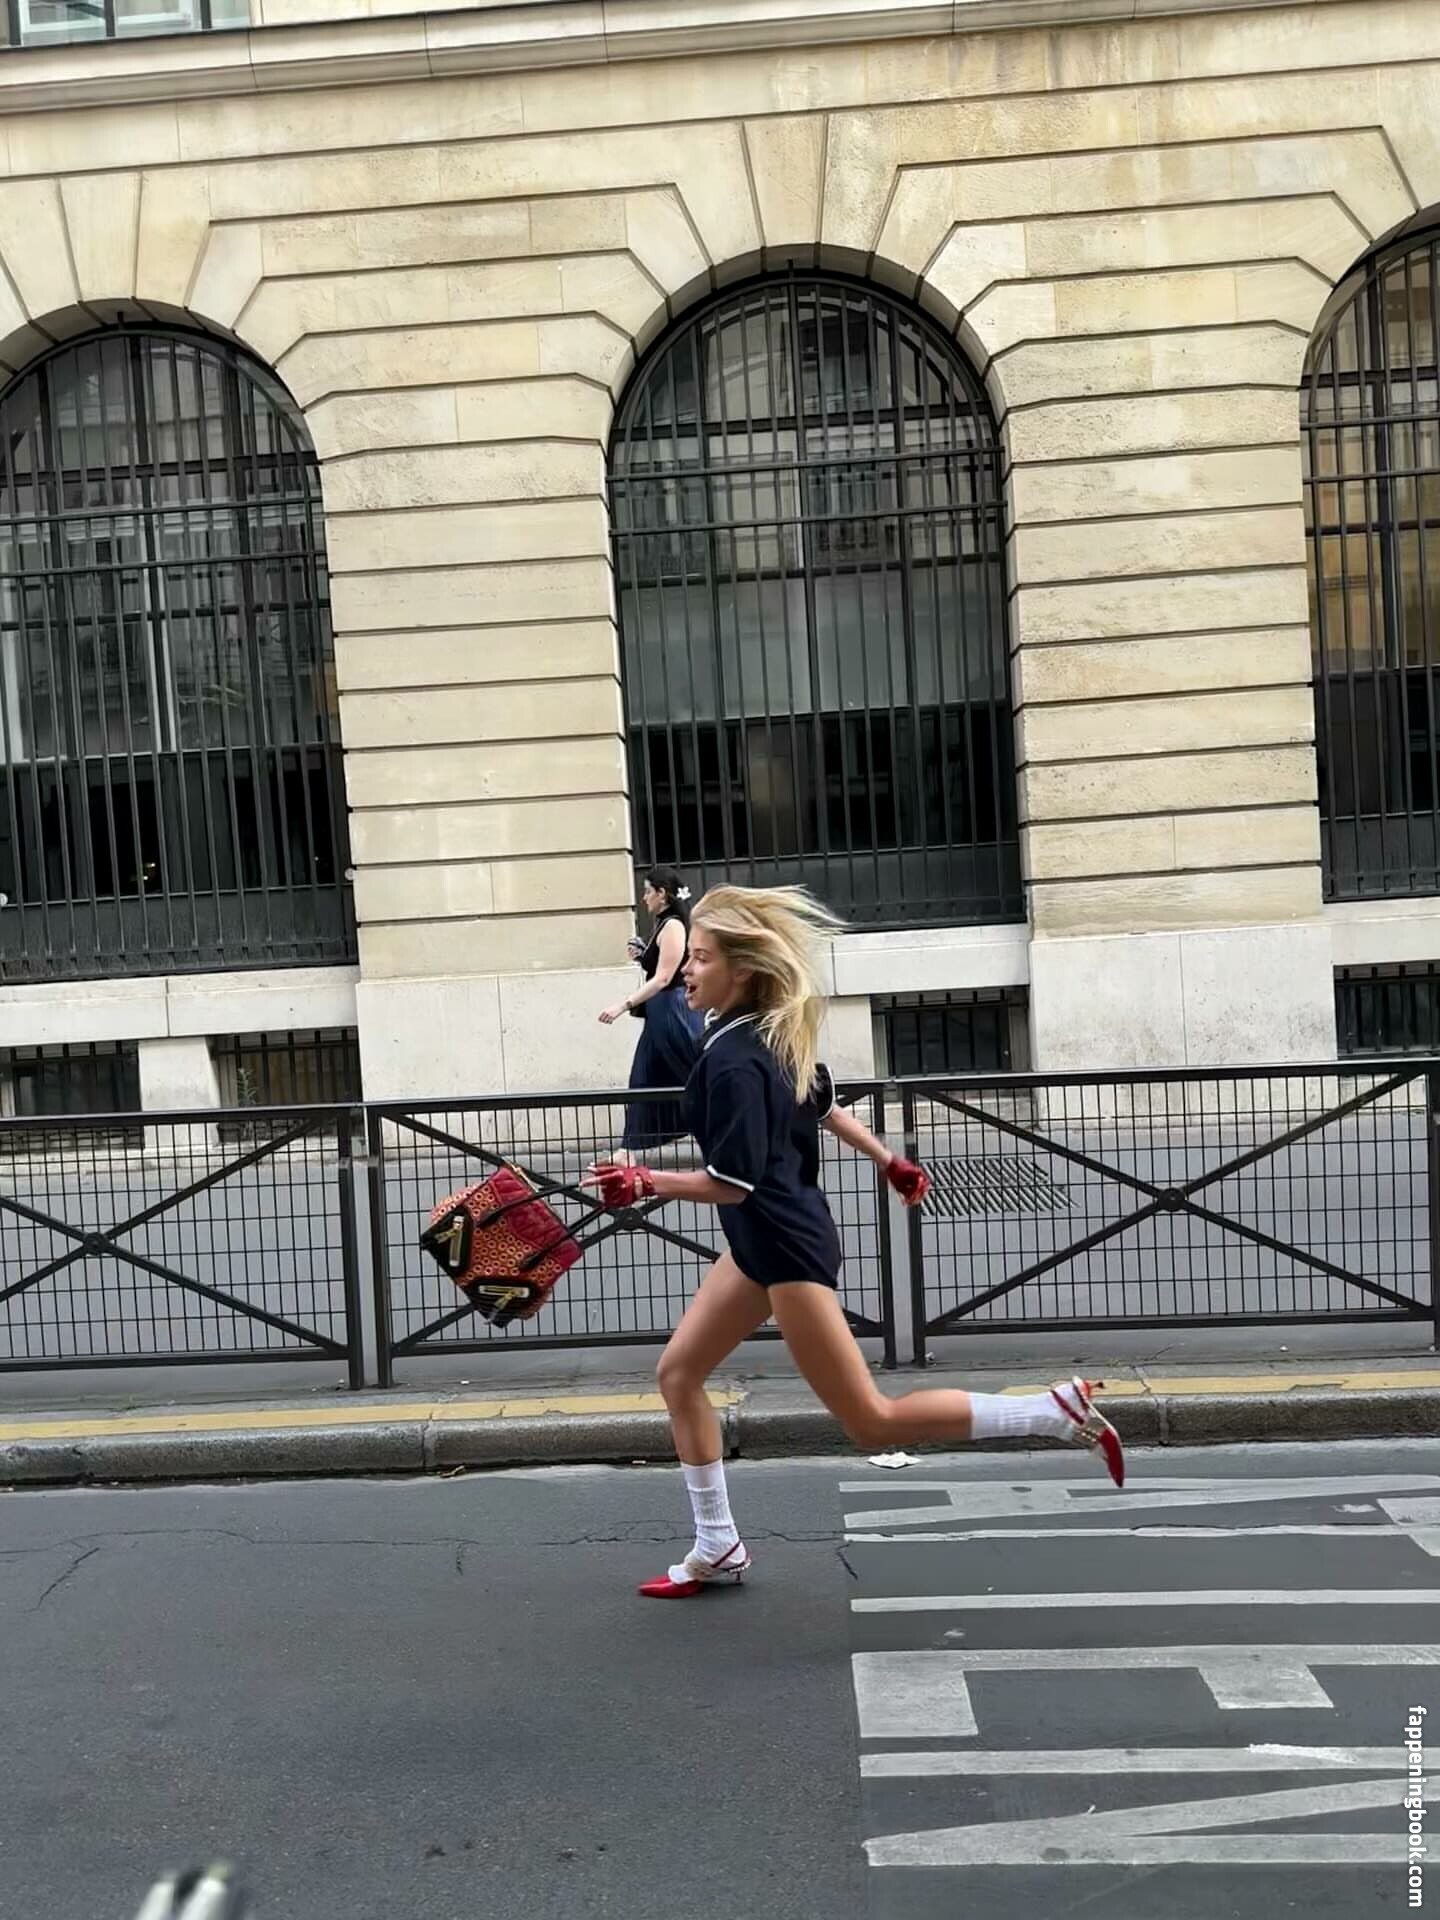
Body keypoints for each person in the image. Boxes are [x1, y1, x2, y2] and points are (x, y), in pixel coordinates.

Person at [586, 883, 1124, 1600]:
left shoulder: (737, 1057)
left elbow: (732, 1183)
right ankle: (718, 1544)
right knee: (678, 1375)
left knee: (872, 1421)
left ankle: (1048, 1413)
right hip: (762, 1242)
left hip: (783, 1250)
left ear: (742, 971)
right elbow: (825, 1106)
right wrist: (887, 1160)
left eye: (702, 958)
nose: (686, 968)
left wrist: (645, 1179)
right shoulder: (760, 1033)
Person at [598, 865, 705, 1162]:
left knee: (695, 1074)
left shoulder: (673, 926)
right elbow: (660, 967)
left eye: (648, 891)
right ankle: (627, 1151)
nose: (644, 897)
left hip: (672, 1010)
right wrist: (643, 954)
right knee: (643, 1078)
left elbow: (663, 978)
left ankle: (733, 1131)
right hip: (660, 1012)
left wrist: (622, 1005)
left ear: (663, 893)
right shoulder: (664, 924)